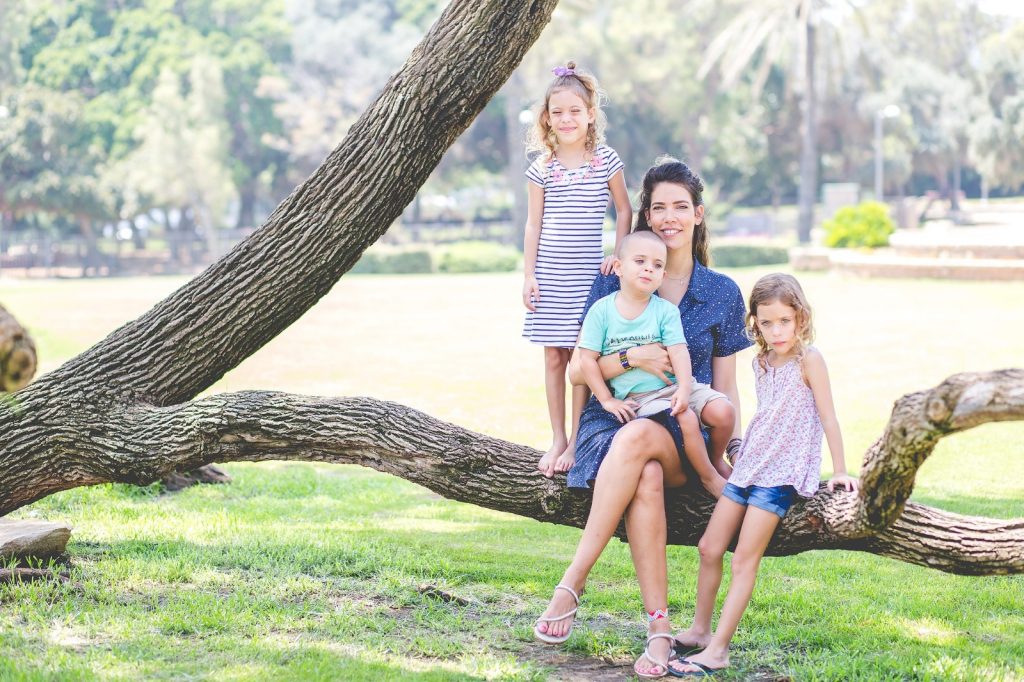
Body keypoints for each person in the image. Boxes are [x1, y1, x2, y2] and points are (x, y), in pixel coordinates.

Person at [531, 159, 751, 679]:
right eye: (658, 207)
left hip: (681, 427)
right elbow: (581, 374)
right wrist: (633, 361)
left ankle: (573, 583)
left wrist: (736, 446)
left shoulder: (720, 291)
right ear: (645, 216)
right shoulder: (611, 281)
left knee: (648, 446)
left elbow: (725, 387)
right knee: (643, 471)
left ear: (698, 215)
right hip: (611, 419)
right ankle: (658, 631)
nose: (669, 217)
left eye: (680, 207)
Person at [669, 273, 859, 677]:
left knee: (744, 559)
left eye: (784, 321)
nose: (776, 331)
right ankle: (700, 631)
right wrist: (740, 450)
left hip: (782, 473)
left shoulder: (810, 359)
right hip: (752, 464)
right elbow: (768, 414)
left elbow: (827, 415)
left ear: (801, 318)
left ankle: (718, 650)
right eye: (766, 322)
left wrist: (840, 470)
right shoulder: (761, 360)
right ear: (754, 322)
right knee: (709, 547)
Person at [522, 61, 632, 479]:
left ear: (590, 115)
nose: (566, 119)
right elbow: (533, 225)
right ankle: (557, 437)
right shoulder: (541, 169)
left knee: (583, 359)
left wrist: (618, 254)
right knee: (554, 356)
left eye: (575, 110)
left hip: (589, 277)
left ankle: (577, 438)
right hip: (551, 276)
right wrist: (529, 275)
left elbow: (624, 210)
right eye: (557, 111)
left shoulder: (605, 160)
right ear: (547, 118)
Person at [576, 230, 735, 499]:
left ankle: (716, 459)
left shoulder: (664, 311)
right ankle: (707, 477)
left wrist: (685, 388)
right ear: (618, 267)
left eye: (657, 265)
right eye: (640, 261)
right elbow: (586, 361)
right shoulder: (601, 311)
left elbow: (679, 351)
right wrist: (606, 400)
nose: (649, 269)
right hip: (643, 396)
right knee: (684, 416)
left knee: (724, 412)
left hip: (676, 385)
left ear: (662, 276)